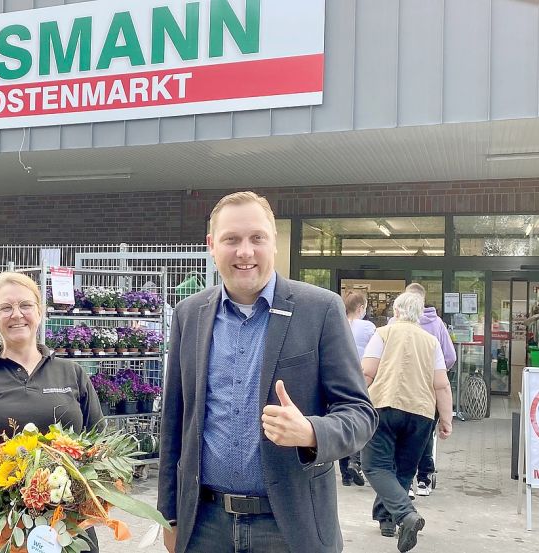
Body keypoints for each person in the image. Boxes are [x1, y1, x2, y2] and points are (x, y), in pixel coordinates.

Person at [157, 191, 378, 553]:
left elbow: (360, 415)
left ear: (274, 242)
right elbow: (175, 423)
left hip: (289, 526)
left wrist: (310, 431)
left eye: (257, 238)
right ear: (213, 245)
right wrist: (168, 513)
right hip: (204, 526)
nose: (245, 252)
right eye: (232, 239)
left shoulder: (320, 310)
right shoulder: (189, 314)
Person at [0, 271, 104, 553]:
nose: (17, 315)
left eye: (25, 305)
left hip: (66, 529)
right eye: (5, 307)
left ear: (39, 311)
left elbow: (99, 446)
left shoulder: (72, 373)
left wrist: (70, 494)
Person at [361, 292, 453, 552]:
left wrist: (351, 402)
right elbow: (442, 384)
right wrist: (446, 418)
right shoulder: (431, 341)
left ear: (397, 311)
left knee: (375, 466)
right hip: (421, 412)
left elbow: (367, 371)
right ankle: (387, 521)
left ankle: (405, 515)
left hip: (384, 405)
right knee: (402, 470)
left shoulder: (382, 334)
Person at [340, 290, 376, 487]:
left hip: (339, 377)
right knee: (359, 418)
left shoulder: (338, 322)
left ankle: (345, 474)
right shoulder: (368, 327)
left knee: (339, 418)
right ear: (361, 308)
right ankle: (356, 460)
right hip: (361, 378)